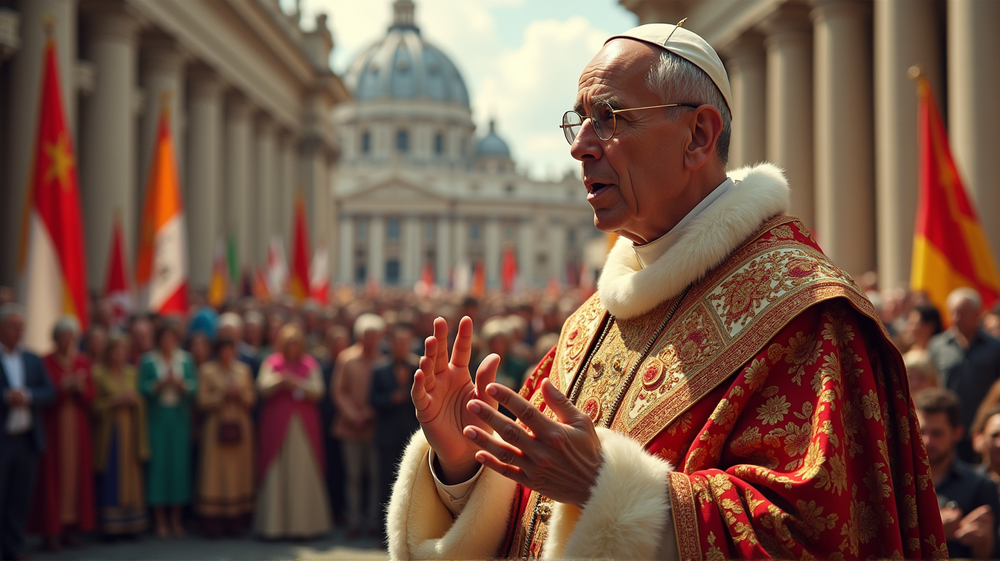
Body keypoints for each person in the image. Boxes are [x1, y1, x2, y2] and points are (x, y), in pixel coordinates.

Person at [387, 23, 945, 559]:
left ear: (698, 135)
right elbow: (532, 508)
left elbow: (821, 533)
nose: (580, 146)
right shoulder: (590, 324)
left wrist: (608, 489)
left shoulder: (804, 312)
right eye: (578, 120)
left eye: (609, 117)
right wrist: (463, 461)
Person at [254, 324, 332, 539]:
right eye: (288, 343)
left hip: (303, 427)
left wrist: (297, 382)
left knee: (303, 473)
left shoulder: (309, 364)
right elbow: (262, 386)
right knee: (276, 472)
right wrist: (281, 381)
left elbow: (318, 390)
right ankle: (273, 526)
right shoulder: (272, 362)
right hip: (276, 424)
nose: (292, 347)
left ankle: (305, 526)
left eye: (295, 343)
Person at [31, 317, 96, 550]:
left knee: (75, 476)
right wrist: (62, 387)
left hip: (77, 426)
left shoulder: (82, 361)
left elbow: (90, 395)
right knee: (52, 476)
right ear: (55, 338)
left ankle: (70, 529)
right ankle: (49, 531)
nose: (67, 341)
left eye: (71, 336)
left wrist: (80, 389)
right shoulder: (45, 361)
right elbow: (43, 393)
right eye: (63, 336)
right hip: (53, 425)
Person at [915, 388, 1000, 558]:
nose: (927, 441)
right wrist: (934, 530)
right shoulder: (896, 484)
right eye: (921, 432)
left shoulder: (980, 486)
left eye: (937, 433)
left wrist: (982, 541)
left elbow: (990, 554)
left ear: (957, 433)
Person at [0, 304, 56, 561]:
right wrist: (5, 397)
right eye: (14, 327)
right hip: (3, 438)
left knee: (19, 498)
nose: (19, 331)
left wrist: (29, 396)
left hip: (27, 439)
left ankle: (14, 547)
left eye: (22, 327)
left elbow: (49, 391)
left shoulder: (32, 358)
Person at [139, 319, 197, 538]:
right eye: (164, 337)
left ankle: (176, 519)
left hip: (179, 419)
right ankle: (160, 521)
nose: (168, 341)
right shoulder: (148, 360)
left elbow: (194, 388)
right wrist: (160, 384)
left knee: (178, 469)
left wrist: (182, 385)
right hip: (158, 418)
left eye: (172, 337)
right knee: (159, 469)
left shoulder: (185, 359)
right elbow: (141, 388)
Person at [929, 287, 1000, 463]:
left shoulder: (995, 347)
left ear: (977, 314)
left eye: (962, 313)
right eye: (953, 312)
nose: (956, 318)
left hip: (982, 432)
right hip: (947, 430)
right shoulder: (937, 346)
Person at [195, 336, 256, 537]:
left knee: (238, 473)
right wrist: (222, 394)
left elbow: (251, 399)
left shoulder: (243, 370)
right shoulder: (207, 370)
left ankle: (236, 521)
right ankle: (213, 522)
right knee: (215, 473)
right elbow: (202, 401)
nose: (227, 354)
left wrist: (239, 394)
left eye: (230, 349)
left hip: (239, 426)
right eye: (223, 349)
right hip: (216, 426)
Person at [332, 313, 385, 539]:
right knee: (353, 476)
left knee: (375, 477)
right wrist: (353, 414)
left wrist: (369, 413)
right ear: (359, 336)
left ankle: (374, 521)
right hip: (350, 427)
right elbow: (338, 390)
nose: (370, 340)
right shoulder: (346, 358)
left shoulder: (383, 361)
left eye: (374, 336)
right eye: (366, 335)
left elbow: (385, 393)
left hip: (374, 428)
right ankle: (354, 520)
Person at [92, 333, 149, 537]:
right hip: (110, 432)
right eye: (116, 350)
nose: (120, 354)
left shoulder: (131, 373)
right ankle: (110, 526)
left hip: (131, 430)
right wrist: (114, 402)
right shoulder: (98, 374)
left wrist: (135, 401)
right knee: (112, 476)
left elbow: (141, 400)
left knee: (131, 476)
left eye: (123, 350)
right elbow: (93, 406)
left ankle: (131, 525)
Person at [370, 323, 420, 529]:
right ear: (390, 343)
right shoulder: (379, 368)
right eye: (397, 342)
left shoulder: (418, 367)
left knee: (412, 485)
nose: (400, 346)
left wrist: (406, 391)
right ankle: (384, 531)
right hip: (387, 435)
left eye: (404, 342)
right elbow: (373, 400)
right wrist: (392, 398)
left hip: (411, 435)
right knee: (385, 484)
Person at [320, 325, 350, 526]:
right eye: (335, 342)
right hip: (327, 424)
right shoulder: (322, 367)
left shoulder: (350, 363)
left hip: (349, 424)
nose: (339, 346)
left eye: (342, 342)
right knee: (332, 469)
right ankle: (333, 510)